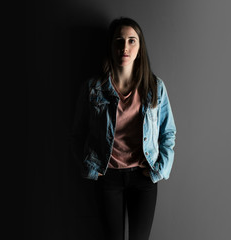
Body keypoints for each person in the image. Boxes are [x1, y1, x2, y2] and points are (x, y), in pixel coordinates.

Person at [71, 17, 176, 240]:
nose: (125, 47)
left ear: (140, 47)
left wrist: (160, 170)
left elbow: (168, 132)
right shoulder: (93, 88)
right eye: (119, 41)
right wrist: (89, 167)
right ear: (111, 46)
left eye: (131, 41)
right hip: (108, 177)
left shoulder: (155, 87)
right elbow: (78, 133)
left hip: (143, 177)